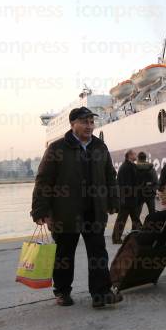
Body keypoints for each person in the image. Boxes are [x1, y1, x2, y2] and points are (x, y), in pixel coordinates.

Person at [30, 107, 123, 308]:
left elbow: (110, 176)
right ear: (73, 124)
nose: (89, 126)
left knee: (98, 253)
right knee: (64, 255)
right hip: (65, 212)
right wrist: (40, 211)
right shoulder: (57, 148)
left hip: (94, 211)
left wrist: (114, 201)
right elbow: (44, 181)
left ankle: (100, 293)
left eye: (91, 122)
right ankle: (63, 292)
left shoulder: (100, 147)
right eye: (84, 122)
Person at [112, 149, 142, 244]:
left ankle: (141, 237)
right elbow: (126, 184)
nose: (136, 155)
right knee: (123, 219)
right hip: (127, 199)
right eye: (134, 154)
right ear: (129, 155)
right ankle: (116, 238)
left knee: (135, 219)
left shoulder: (130, 166)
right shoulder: (126, 167)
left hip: (130, 198)